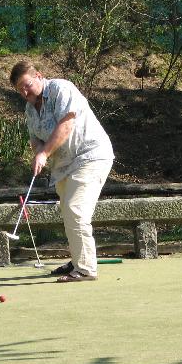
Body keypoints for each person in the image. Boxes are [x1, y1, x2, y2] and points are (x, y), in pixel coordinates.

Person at [9, 60, 114, 282]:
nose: (25, 92)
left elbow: (66, 125)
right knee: (68, 212)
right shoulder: (30, 109)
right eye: (20, 89)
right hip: (63, 166)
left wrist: (44, 154)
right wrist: (38, 153)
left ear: (39, 76)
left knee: (75, 209)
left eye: (27, 85)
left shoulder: (61, 88)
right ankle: (77, 261)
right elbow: (35, 139)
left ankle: (85, 269)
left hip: (90, 155)